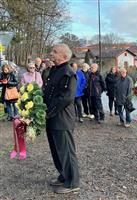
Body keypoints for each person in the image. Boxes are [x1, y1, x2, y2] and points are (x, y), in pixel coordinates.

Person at [43, 44, 80, 194]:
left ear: (64, 56)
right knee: (57, 150)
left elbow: (66, 97)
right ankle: (64, 176)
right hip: (52, 118)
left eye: (55, 52)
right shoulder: (54, 70)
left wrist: (49, 112)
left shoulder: (68, 72)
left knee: (66, 151)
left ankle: (72, 182)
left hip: (62, 119)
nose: (51, 54)